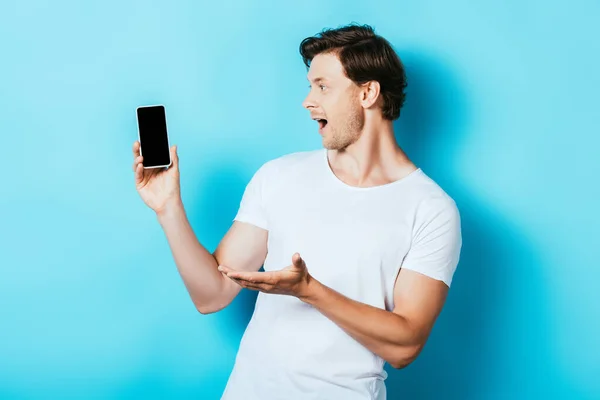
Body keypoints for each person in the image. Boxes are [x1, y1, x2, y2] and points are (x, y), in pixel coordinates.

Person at [132, 23, 462, 400]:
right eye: (310, 86)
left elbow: (405, 345)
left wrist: (309, 291)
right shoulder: (279, 176)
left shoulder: (431, 209)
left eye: (322, 86)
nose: (307, 100)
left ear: (367, 92)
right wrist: (168, 208)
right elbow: (212, 296)